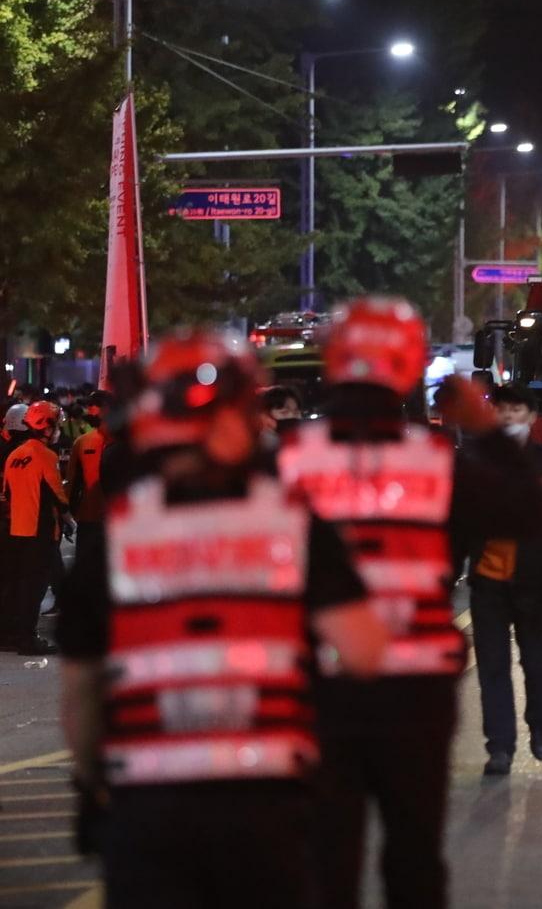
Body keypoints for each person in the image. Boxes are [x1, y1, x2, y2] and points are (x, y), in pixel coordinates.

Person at [56, 329, 388, 908]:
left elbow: (81, 694)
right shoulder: (294, 526)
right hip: (271, 801)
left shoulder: (116, 540)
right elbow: (362, 652)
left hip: (148, 806)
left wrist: (92, 784)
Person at [277, 296, 542, 909]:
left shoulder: (286, 459)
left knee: (325, 856)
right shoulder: (438, 461)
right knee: (414, 851)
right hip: (415, 688)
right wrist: (487, 431)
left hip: (314, 683)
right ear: (407, 367)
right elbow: (528, 513)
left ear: (333, 362)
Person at [468, 383, 542, 776]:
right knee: (492, 667)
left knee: (538, 662)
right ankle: (500, 747)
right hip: (488, 582)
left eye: (516, 410)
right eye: (501, 410)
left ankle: (539, 723)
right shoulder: (473, 461)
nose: (508, 417)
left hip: (537, 583)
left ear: (531, 417)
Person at [2, 401, 71, 654]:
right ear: (46, 427)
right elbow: (58, 496)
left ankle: (12, 634)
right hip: (40, 531)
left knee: (18, 585)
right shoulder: (47, 456)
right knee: (35, 588)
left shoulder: (14, 456)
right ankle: (28, 639)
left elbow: (7, 494)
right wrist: (69, 519)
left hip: (16, 529)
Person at [65, 392, 113, 563]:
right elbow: (71, 482)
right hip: (88, 519)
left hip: (115, 521)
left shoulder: (126, 441)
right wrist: (66, 514)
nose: (90, 410)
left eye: (94, 405)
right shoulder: (82, 442)